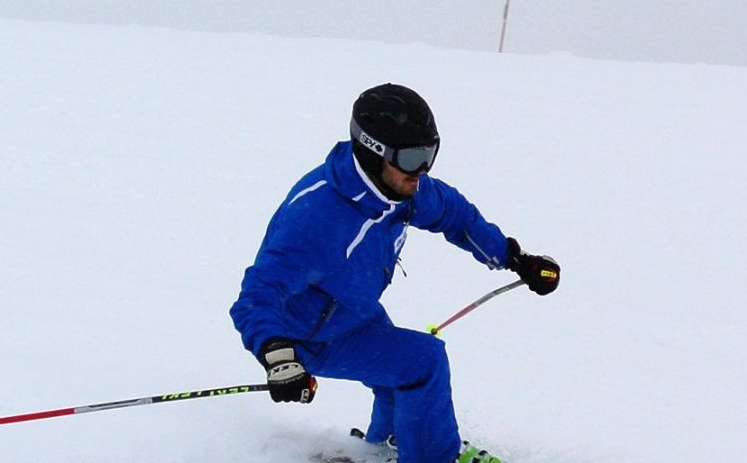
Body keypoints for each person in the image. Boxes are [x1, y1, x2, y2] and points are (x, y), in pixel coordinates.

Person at [230, 83, 560, 463]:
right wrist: (277, 353)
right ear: (374, 152)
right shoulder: (317, 217)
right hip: (306, 334)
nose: (421, 171)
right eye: (411, 157)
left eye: (429, 155)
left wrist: (514, 258)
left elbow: (456, 215)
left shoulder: (400, 189)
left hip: (350, 309)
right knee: (423, 361)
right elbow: (257, 295)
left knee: (399, 375)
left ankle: (386, 446)